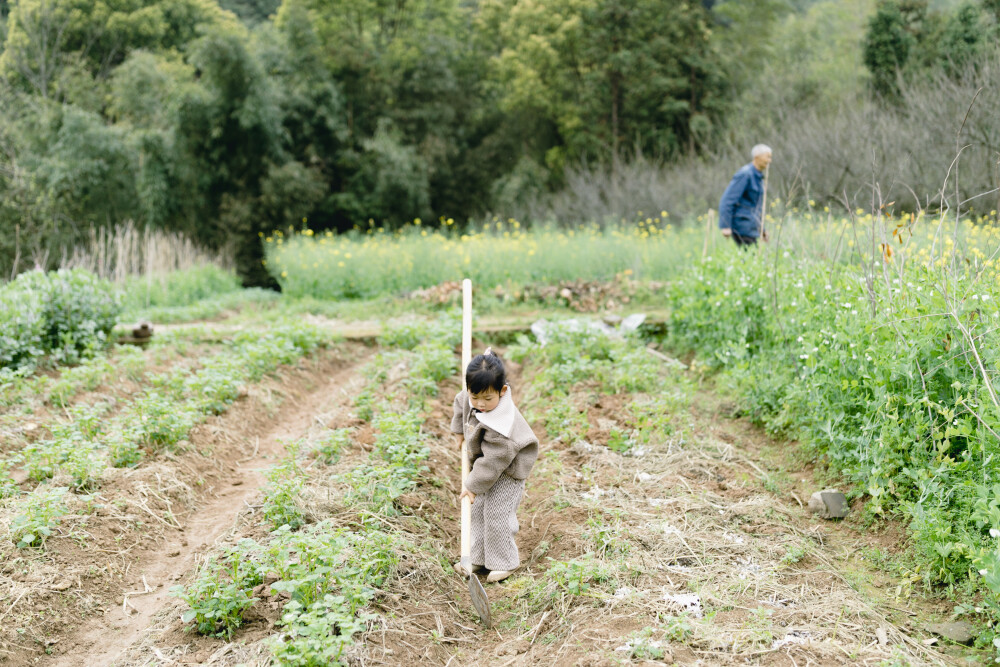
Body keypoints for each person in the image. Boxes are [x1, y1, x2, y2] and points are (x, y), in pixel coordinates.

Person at [451, 348, 538, 583]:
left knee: (497, 514)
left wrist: (471, 485)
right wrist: (458, 431)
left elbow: (492, 463)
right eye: (475, 397)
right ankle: (477, 558)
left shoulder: (502, 426)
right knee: (477, 511)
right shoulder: (471, 398)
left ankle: (504, 562)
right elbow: (461, 402)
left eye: (488, 399)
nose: (480, 404)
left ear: (503, 391)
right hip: (485, 465)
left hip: (508, 469)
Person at [719, 144, 772, 246]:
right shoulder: (745, 174)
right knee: (750, 257)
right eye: (767, 157)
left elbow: (756, 207)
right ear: (757, 157)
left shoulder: (759, 177)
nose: (770, 161)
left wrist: (762, 230)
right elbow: (727, 200)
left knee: (752, 258)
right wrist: (725, 225)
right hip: (742, 227)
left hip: (751, 227)